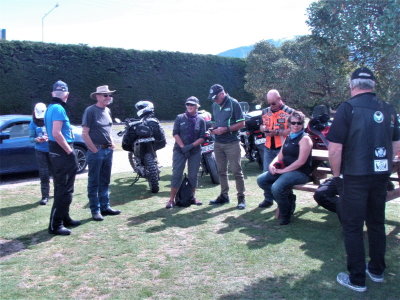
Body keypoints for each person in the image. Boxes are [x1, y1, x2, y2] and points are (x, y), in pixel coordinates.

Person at [327, 67, 400, 292]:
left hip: (355, 177)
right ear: (373, 86)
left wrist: (336, 176)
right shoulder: (388, 109)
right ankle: (376, 270)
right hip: (380, 176)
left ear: (352, 86)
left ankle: (357, 279)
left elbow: (334, 150)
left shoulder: (347, 108)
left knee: (353, 227)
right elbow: (397, 147)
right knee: (376, 223)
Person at [257, 111, 313, 225]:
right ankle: (289, 198)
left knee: (276, 187)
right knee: (261, 180)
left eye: (299, 123)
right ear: (289, 124)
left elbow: (300, 162)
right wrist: (272, 165)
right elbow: (280, 155)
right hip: (286, 171)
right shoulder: (288, 137)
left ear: (303, 124)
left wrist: (282, 171)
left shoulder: (305, 139)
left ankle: (285, 214)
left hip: (300, 173)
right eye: (293, 123)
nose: (296, 125)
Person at [45, 80, 81, 235]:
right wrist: (69, 151)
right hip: (62, 152)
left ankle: (65, 218)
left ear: (53, 93)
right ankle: (55, 225)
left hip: (56, 151)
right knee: (63, 190)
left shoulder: (50, 107)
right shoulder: (58, 108)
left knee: (66, 188)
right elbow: (56, 133)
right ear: (67, 94)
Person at [82, 85, 121, 221]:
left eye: (110, 95)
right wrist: (93, 149)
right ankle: (95, 210)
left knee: (105, 180)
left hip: (107, 151)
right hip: (96, 151)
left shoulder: (107, 110)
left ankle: (105, 207)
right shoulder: (90, 111)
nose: (109, 97)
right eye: (105, 95)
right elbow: (85, 133)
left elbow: (108, 129)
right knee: (94, 181)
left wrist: (111, 142)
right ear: (98, 96)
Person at [207, 84, 246, 209]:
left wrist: (226, 129)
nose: (214, 100)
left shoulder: (234, 103)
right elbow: (214, 121)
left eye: (216, 98)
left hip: (232, 142)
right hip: (218, 143)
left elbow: (242, 123)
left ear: (222, 94)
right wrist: (212, 130)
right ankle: (224, 196)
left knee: (236, 171)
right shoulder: (214, 105)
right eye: (213, 98)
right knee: (221, 171)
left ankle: (241, 198)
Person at [166, 96, 206, 209]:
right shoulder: (180, 118)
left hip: (194, 151)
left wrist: (191, 146)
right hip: (180, 150)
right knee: (176, 174)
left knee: (193, 175)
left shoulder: (201, 120)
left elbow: (203, 137)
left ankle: (192, 197)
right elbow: (175, 133)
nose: (189, 106)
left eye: (192, 105)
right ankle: (171, 200)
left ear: (197, 106)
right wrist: (183, 147)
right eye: (188, 104)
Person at [258, 89, 294, 208]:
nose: (271, 105)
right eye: (269, 103)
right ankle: (268, 199)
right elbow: (261, 125)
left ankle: (287, 198)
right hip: (268, 147)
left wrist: (277, 132)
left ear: (279, 99)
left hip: (283, 148)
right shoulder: (265, 112)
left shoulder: (290, 112)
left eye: (273, 103)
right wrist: (263, 129)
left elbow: (294, 130)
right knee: (265, 174)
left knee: (283, 176)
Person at [29, 102, 51, 205]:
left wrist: (49, 137)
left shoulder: (50, 119)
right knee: (44, 173)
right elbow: (30, 138)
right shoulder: (32, 123)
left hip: (52, 149)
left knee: (57, 172)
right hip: (40, 151)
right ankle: (45, 196)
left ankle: (59, 193)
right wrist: (37, 139)